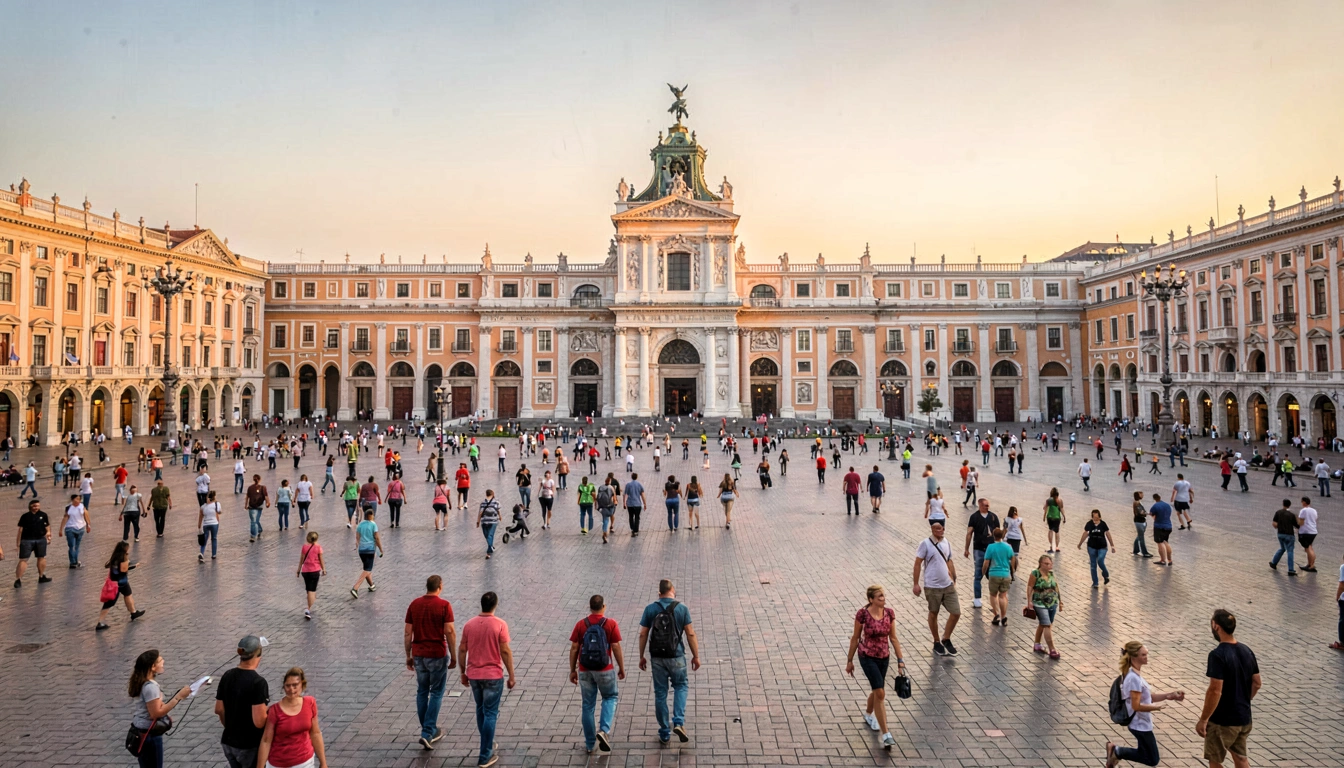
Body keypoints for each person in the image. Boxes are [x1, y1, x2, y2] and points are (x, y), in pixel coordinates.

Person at [458, 591, 516, 768]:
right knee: (490, 713)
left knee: (481, 709)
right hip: (493, 675)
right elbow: (505, 651)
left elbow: (462, 650)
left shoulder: (469, 625)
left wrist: (463, 671)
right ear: (495, 605)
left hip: (474, 675)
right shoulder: (499, 625)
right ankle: (485, 754)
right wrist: (511, 675)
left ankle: (487, 743)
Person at [844, 585, 906, 751]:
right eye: (879, 596)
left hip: (884, 657)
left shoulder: (889, 613)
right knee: (880, 692)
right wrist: (849, 660)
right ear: (871, 599)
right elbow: (855, 638)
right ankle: (886, 735)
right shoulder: (863, 614)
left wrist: (900, 660)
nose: (883, 598)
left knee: (877, 689)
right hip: (867, 656)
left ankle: (868, 715)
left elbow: (893, 638)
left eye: (883, 595)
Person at [1196, 609, 1260, 768]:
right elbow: (1257, 683)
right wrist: (1243, 699)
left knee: (1215, 759)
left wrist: (1203, 719)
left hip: (1222, 720)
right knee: (1241, 758)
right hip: (1243, 717)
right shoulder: (1246, 650)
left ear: (1215, 626)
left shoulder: (1217, 655)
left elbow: (1215, 690)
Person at [1105, 642, 1185, 767]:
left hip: (1142, 723)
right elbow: (1136, 706)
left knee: (1146, 754)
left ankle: (1116, 752)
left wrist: (1169, 695)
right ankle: (1117, 751)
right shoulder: (1134, 678)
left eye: (1146, 654)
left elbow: (1148, 698)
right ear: (1134, 657)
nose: (1146, 657)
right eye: (1143, 654)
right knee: (1152, 759)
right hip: (1139, 725)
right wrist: (1155, 708)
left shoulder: (1134, 675)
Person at [639, 579, 699, 745]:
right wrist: (696, 655)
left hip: (657, 657)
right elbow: (690, 634)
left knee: (660, 693)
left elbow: (643, 633)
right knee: (680, 686)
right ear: (673, 590)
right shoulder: (682, 608)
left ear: (659, 593)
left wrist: (641, 656)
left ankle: (664, 732)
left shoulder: (651, 609)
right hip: (676, 655)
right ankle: (678, 722)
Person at [406, 574, 458, 750]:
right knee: (436, 692)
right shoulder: (444, 605)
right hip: (437, 654)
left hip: (419, 653)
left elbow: (407, 632)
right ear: (440, 587)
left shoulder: (414, 604)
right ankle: (428, 731)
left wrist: (408, 654)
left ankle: (428, 729)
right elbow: (449, 631)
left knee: (422, 691)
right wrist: (454, 655)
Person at [569, 594, 626, 754]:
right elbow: (615, 647)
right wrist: (621, 667)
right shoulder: (610, 624)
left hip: (585, 669)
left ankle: (589, 744)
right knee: (610, 697)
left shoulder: (581, 624)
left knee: (588, 705)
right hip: (605, 669)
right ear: (603, 607)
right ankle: (604, 730)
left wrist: (573, 669)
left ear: (590, 607)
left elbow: (574, 648)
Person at [127, 649, 193, 768]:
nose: (163, 662)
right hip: (149, 736)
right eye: (160, 660)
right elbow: (156, 713)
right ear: (153, 666)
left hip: (142, 731)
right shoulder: (150, 687)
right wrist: (179, 697)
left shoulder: (144, 683)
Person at [256, 667, 328, 768]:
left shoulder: (310, 703)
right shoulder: (275, 710)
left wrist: (323, 763)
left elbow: (315, 733)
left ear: (302, 685)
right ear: (283, 687)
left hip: (306, 762)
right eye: (288, 686)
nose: (291, 689)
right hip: (279, 764)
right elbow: (266, 740)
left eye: (295, 685)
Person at [215, 635, 270, 768]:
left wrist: (230, 726)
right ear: (258, 657)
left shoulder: (227, 675)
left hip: (228, 741)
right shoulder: (258, 682)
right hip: (249, 745)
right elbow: (259, 721)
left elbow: (219, 709)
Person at [912, 521, 960, 656]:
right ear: (932, 529)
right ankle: (936, 641)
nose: (939, 531)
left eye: (940, 528)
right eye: (936, 528)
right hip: (932, 586)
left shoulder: (946, 542)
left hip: (947, 584)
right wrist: (916, 584)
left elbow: (949, 560)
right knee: (934, 612)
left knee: (956, 612)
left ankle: (946, 638)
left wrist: (954, 577)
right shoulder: (925, 544)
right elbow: (917, 563)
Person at [96, 540, 144, 629]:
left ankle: (133, 612)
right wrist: (133, 566)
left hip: (119, 582)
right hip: (119, 583)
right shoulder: (122, 558)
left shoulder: (115, 556)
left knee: (128, 594)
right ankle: (100, 622)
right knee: (109, 603)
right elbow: (123, 570)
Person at [964, 498, 1000, 609]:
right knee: (978, 573)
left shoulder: (993, 517)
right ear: (979, 505)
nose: (987, 507)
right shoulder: (974, 517)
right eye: (985, 505)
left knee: (992, 574)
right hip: (979, 548)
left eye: (988, 505)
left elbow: (998, 533)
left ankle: (994, 598)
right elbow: (969, 533)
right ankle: (977, 599)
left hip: (992, 549)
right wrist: (966, 548)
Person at [1026, 554, 1062, 658]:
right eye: (1046, 563)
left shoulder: (1051, 574)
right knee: (1047, 624)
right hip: (1039, 602)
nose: (1048, 566)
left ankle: (1037, 644)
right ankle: (1052, 649)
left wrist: (1060, 601)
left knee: (1044, 624)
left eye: (1050, 564)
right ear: (1040, 564)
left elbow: (1056, 587)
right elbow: (1030, 587)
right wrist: (1029, 601)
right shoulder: (1035, 573)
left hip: (1052, 602)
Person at [15, 499, 52, 587]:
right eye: (35, 506)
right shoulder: (25, 516)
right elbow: (20, 530)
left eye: (38, 506)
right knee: (23, 559)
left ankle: (41, 576)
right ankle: (18, 579)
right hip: (27, 540)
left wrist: (49, 535)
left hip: (40, 539)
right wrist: (18, 543)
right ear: (30, 506)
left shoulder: (43, 515)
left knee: (41, 557)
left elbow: (47, 526)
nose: (36, 508)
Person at [982, 529, 1016, 625]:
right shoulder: (1008, 547)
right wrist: (1012, 570)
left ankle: (996, 613)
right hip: (1005, 574)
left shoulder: (991, 547)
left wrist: (983, 571)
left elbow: (986, 562)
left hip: (994, 574)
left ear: (993, 536)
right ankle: (1003, 616)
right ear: (1002, 535)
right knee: (1003, 596)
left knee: (993, 594)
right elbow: (1013, 558)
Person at [350, 508, 383, 597]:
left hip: (362, 550)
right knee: (368, 569)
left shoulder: (360, 525)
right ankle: (355, 588)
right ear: (371, 516)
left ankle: (372, 585)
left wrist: (357, 546)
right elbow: (377, 537)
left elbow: (357, 537)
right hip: (370, 549)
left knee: (366, 568)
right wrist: (380, 549)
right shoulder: (373, 525)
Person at [1078, 509, 1116, 587]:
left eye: (1097, 517)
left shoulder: (1103, 524)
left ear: (1099, 517)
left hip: (1102, 546)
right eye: (1094, 517)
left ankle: (1105, 574)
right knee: (1093, 564)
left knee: (1100, 560)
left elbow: (1108, 534)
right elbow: (1085, 533)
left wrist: (1112, 545)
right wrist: (1080, 543)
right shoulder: (1089, 524)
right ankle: (1095, 582)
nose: (1095, 519)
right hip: (1091, 546)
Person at [297, 531, 326, 619]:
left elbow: (301, 559)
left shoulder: (304, 547)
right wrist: (324, 569)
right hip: (314, 571)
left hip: (305, 571)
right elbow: (321, 560)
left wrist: (298, 570)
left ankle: (310, 603)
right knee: (311, 590)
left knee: (309, 589)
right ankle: (308, 609)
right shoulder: (318, 548)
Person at [1269, 498, 1300, 575]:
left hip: (1280, 534)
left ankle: (1274, 562)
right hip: (1289, 535)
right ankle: (1291, 569)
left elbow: (1274, 524)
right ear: (1289, 505)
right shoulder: (1292, 515)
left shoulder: (1278, 512)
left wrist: (1280, 526)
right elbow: (1297, 526)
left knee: (1282, 548)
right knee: (1290, 551)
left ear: (1283, 504)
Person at [62, 493, 90, 568]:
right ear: (72, 499)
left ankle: (75, 560)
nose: (78, 501)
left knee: (77, 546)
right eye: (76, 499)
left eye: (79, 499)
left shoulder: (82, 507)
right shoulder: (68, 508)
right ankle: (72, 562)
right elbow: (65, 517)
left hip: (80, 528)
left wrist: (88, 525)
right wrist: (61, 529)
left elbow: (86, 515)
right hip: (70, 528)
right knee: (71, 546)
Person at [1148, 493, 1174, 566]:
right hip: (1168, 526)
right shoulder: (1167, 505)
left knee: (1160, 543)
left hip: (1159, 526)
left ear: (1154, 499)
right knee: (1166, 542)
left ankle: (1163, 560)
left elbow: (1152, 515)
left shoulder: (1155, 506)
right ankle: (1169, 559)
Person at [198, 491, 222, 562]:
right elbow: (219, 511)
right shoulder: (217, 504)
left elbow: (201, 516)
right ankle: (213, 554)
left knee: (204, 539)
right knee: (214, 538)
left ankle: (202, 552)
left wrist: (199, 525)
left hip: (206, 524)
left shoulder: (203, 506)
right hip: (214, 523)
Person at [476, 489, 501, 557]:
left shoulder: (483, 503)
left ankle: (489, 551)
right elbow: (498, 510)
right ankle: (491, 546)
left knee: (487, 535)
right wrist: (500, 516)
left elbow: (480, 513)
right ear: (492, 494)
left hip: (484, 521)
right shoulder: (496, 502)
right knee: (490, 535)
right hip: (493, 521)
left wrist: (478, 521)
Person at [1296, 496, 1318, 572]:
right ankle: (1309, 564)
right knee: (1309, 547)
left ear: (1304, 502)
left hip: (1305, 532)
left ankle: (1312, 565)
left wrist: (1297, 525)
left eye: (1301, 502)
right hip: (1313, 531)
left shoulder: (1303, 510)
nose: (1301, 503)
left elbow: (1301, 522)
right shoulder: (1314, 510)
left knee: (1308, 548)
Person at [246, 475, 270, 542]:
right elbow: (266, 496)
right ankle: (257, 532)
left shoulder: (250, 487)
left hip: (251, 506)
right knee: (255, 521)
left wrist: (246, 505)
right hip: (259, 506)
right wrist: (268, 503)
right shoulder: (263, 487)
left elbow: (247, 497)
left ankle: (253, 535)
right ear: (260, 479)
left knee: (254, 521)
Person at [1042, 488, 1066, 552]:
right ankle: (1057, 547)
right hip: (1057, 517)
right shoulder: (1060, 500)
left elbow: (1045, 508)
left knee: (1050, 530)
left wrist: (1044, 517)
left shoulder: (1048, 500)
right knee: (1057, 531)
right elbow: (1061, 509)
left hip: (1049, 517)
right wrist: (1064, 517)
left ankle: (1051, 546)